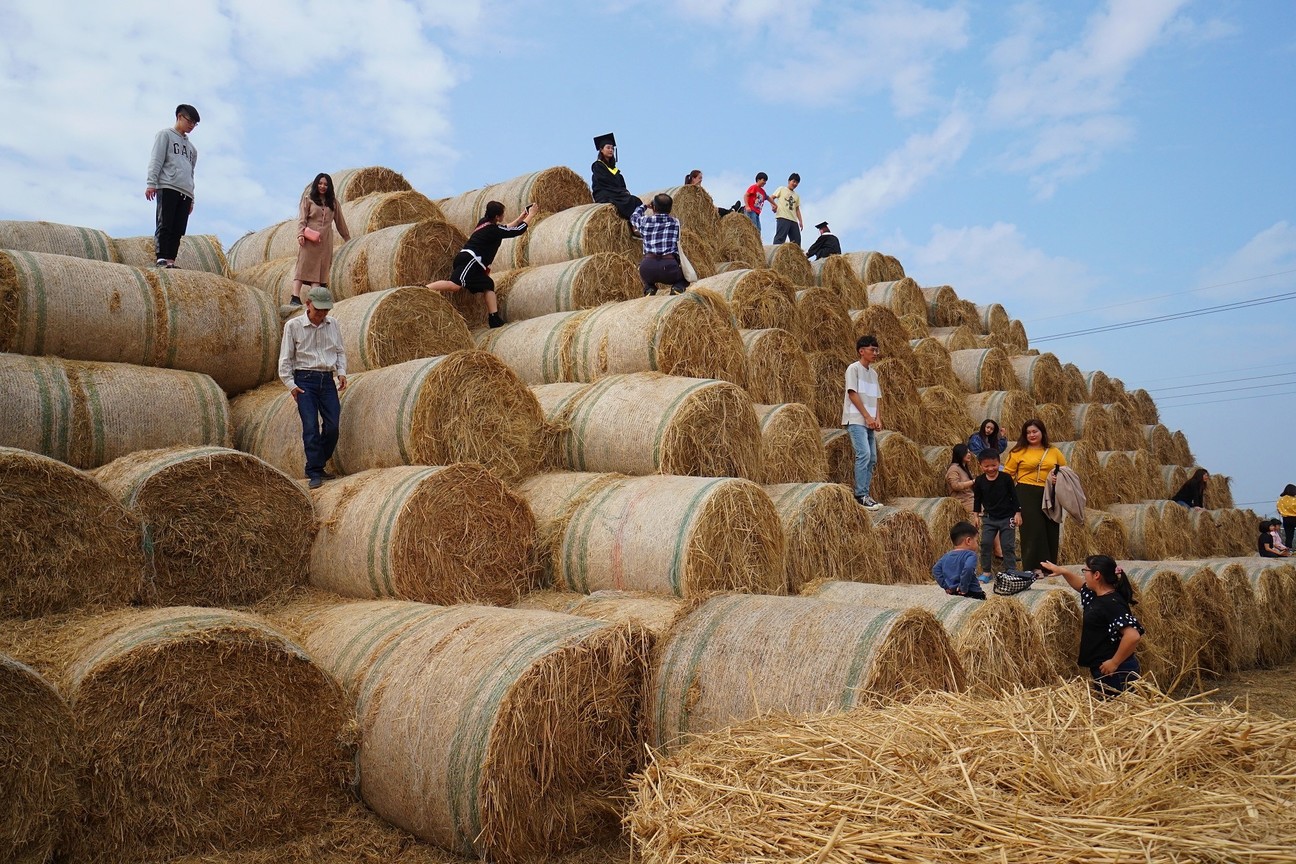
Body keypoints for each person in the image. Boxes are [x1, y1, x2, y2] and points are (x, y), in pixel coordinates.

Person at [1040, 556, 1144, 695]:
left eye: (1085, 570)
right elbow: (1081, 585)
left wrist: (1114, 662)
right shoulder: (1096, 595)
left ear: (1096, 575)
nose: (1083, 574)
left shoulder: (1111, 603)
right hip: (1104, 669)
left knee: (1118, 711)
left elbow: (1132, 636)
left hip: (1117, 672)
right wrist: (1063, 571)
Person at [278, 286, 347, 490]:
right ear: (308, 305)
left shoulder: (333, 324)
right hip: (304, 381)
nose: (322, 314)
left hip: (326, 380)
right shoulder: (293, 326)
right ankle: (315, 472)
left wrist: (341, 372)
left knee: (333, 426)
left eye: (326, 310)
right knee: (310, 427)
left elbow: (340, 351)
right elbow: (285, 358)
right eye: (319, 310)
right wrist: (291, 385)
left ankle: (316, 462)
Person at [426, 200, 533, 328]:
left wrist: (522, 216)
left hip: (474, 263)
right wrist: (532, 215)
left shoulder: (485, 222)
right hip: (470, 260)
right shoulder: (492, 230)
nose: (504, 216)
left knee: (488, 284)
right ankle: (423, 289)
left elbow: (507, 227)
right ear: (497, 217)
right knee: (455, 286)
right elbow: (518, 231)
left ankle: (494, 319)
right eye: (502, 214)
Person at [1003, 419, 1067, 575]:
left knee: (1051, 528)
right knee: (1032, 530)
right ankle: (1033, 567)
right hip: (1026, 492)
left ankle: (1050, 567)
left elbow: (1065, 471)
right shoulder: (1018, 452)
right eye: (1028, 432)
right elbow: (1007, 476)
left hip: (1049, 492)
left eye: (1034, 431)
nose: (1031, 435)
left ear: (1042, 432)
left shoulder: (1054, 451)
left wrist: (1057, 478)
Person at [145, 103, 200, 269]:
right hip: (168, 185)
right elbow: (156, 160)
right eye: (190, 121)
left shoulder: (192, 149)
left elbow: (191, 173)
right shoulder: (165, 135)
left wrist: (192, 198)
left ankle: (171, 260)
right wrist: (151, 183)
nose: (191, 126)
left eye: (195, 124)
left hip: (186, 191)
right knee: (165, 224)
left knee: (178, 229)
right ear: (179, 117)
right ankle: (161, 257)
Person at [286, 173, 351, 311]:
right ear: (316, 184)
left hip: (325, 242)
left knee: (319, 271)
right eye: (320, 183)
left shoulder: (333, 203)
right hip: (309, 240)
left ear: (329, 187)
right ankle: (295, 297)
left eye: (326, 184)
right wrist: (300, 234)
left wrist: (347, 238)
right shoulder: (308, 200)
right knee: (302, 266)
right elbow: (302, 219)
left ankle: (313, 300)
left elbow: (340, 222)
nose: (323, 186)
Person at [842, 334, 882, 510]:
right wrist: (867, 416)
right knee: (864, 454)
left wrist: (878, 418)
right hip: (856, 419)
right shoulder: (853, 369)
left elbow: (876, 398)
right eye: (872, 350)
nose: (875, 353)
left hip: (870, 421)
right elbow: (852, 394)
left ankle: (865, 493)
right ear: (861, 351)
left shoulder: (873, 373)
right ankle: (860, 495)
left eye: (876, 350)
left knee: (872, 458)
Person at [972, 451, 1021, 579]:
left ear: (999, 463)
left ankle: (1011, 570)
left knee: (1007, 545)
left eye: (994, 465)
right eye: (986, 466)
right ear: (980, 466)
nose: (990, 469)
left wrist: (1018, 513)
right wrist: (976, 515)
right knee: (986, 544)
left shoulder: (1006, 478)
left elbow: (1014, 497)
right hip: (989, 518)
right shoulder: (979, 481)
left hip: (1007, 517)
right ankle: (986, 572)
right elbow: (977, 499)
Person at [630, 193, 689, 297]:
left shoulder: (645, 221)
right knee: (685, 278)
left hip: (648, 267)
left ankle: (649, 288)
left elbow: (633, 217)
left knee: (647, 277)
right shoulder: (675, 222)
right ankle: (677, 288)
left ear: (653, 207)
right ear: (670, 209)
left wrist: (644, 206)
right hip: (669, 267)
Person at [590, 133, 640, 225]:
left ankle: (634, 225)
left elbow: (622, 185)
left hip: (616, 193)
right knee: (628, 200)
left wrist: (624, 191)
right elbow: (605, 182)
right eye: (608, 148)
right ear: (601, 150)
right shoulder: (598, 166)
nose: (611, 150)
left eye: (612, 148)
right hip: (604, 193)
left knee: (636, 200)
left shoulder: (615, 170)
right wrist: (620, 192)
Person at [931, 521, 986, 599]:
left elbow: (935, 569)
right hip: (973, 592)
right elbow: (968, 568)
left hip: (954, 593)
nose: (977, 544)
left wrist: (946, 586)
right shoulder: (971, 554)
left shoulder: (946, 556)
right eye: (976, 540)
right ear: (968, 541)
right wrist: (963, 587)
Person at [770, 173, 803, 246]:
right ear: (789, 181)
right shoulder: (782, 189)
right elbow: (771, 197)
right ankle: (775, 254)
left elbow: (797, 209)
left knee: (797, 241)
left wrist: (800, 221)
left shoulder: (796, 196)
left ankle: (795, 257)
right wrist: (773, 205)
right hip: (783, 216)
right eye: (793, 181)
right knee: (780, 238)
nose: (795, 184)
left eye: (797, 183)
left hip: (793, 219)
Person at [945, 444, 975, 513]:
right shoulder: (954, 469)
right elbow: (955, 486)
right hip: (964, 502)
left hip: (971, 499)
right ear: (960, 454)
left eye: (969, 452)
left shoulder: (964, 468)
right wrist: (973, 482)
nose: (969, 454)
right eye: (966, 452)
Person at [1278, 484, 1296, 550]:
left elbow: (1279, 510)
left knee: (1289, 535)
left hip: (1286, 519)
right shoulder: (1295, 499)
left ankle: (1288, 549)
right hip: (1295, 517)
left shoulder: (1281, 500)